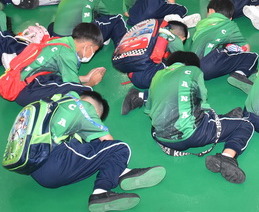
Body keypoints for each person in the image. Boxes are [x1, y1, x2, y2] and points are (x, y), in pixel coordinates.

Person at [10, 90, 166, 212]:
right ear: (96, 112)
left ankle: (122, 173)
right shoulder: (84, 107)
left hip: (37, 171)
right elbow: (108, 140)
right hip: (56, 161)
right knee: (119, 148)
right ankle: (102, 190)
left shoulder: (57, 102)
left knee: (95, 148)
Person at [145, 51, 255, 184]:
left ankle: (225, 120)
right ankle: (227, 157)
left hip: (163, 139)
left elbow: (149, 110)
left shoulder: (157, 75)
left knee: (188, 112)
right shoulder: (193, 71)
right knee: (245, 125)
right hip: (194, 135)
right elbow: (203, 104)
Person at [11, 23, 107, 106]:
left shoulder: (62, 42)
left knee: (59, 80)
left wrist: (85, 78)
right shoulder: (67, 54)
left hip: (25, 84)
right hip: (27, 92)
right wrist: (92, 82)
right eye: (94, 50)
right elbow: (73, 88)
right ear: (88, 46)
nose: (93, 54)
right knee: (70, 94)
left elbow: (63, 74)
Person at [188, 0, 259, 84]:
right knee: (252, 56)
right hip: (208, 66)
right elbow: (246, 47)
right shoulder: (230, 25)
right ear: (230, 18)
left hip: (192, 66)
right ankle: (240, 74)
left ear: (210, 11)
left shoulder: (200, 24)